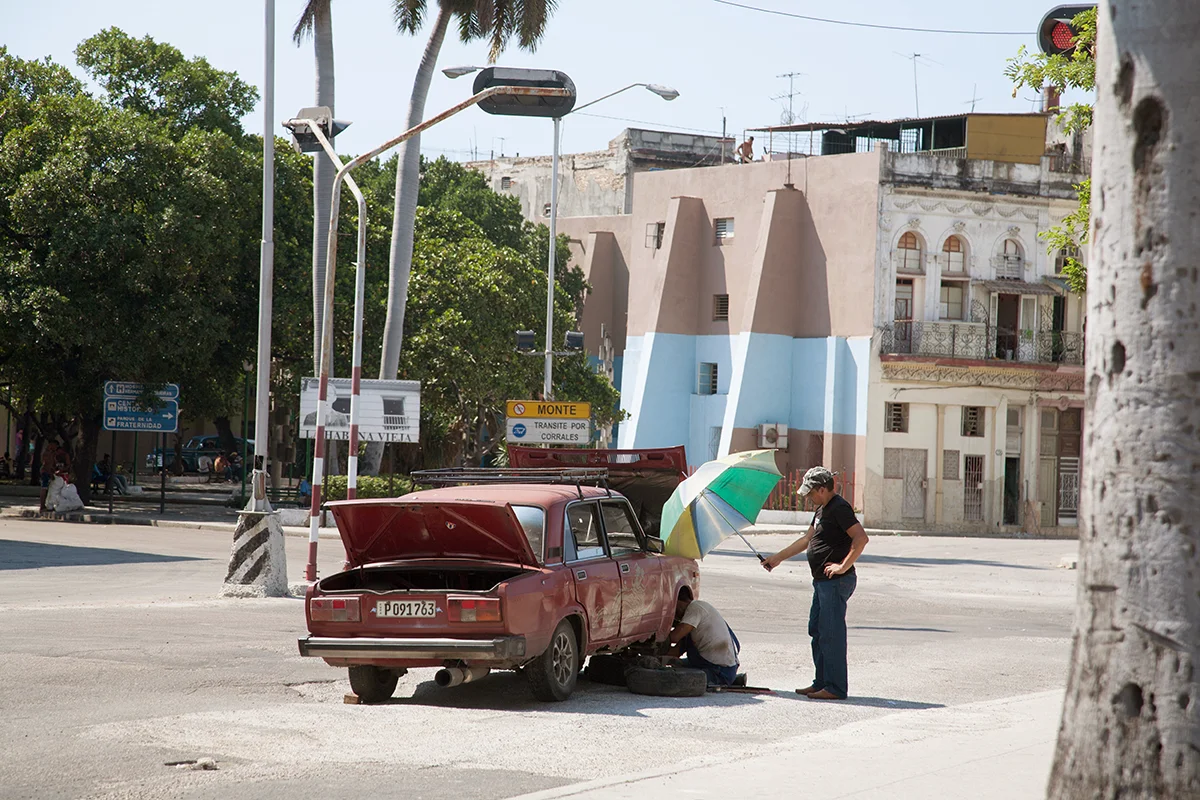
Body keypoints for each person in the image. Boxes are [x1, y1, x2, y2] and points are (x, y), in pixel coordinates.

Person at [761, 466, 868, 700]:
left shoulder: (839, 508)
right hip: (821, 582)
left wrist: (843, 566)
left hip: (836, 581)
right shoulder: (822, 509)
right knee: (818, 630)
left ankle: (835, 687)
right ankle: (821, 682)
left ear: (822, 489)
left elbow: (861, 538)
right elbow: (807, 539)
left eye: (810, 493)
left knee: (831, 633)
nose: (808, 498)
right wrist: (777, 558)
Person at [667, 592, 741, 687]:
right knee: (676, 663)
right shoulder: (694, 619)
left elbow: (674, 637)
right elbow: (675, 652)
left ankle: (725, 680)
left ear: (678, 602)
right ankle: (733, 679)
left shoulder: (695, 608)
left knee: (674, 677)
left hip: (719, 671)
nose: (674, 615)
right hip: (722, 667)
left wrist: (654, 638)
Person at [39, 438, 58, 512]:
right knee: (44, 488)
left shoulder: (52, 453)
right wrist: (50, 473)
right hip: (45, 472)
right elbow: (46, 464)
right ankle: (42, 506)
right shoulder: (47, 453)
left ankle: (46, 505)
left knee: (47, 489)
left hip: (49, 472)